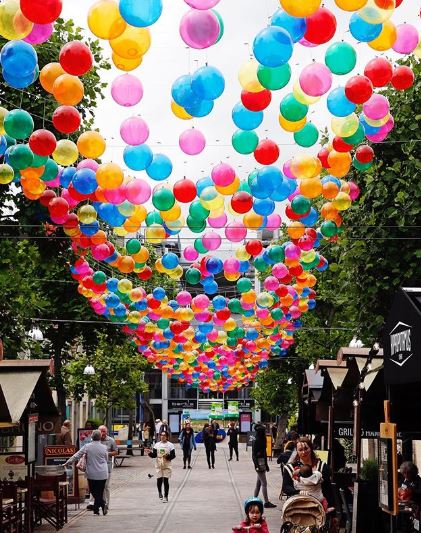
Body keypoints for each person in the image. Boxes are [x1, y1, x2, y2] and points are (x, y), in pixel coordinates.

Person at [282, 437, 335, 512]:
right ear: (296, 451)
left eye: (306, 448)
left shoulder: (322, 466)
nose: (304, 452)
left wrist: (333, 513)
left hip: (319, 508)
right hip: (298, 507)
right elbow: (286, 487)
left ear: (311, 448)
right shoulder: (290, 468)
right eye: (300, 450)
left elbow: (327, 489)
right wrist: (298, 492)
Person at [64, 430, 108, 516]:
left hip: (91, 473)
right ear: (100, 437)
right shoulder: (104, 447)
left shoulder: (87, 447)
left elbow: (77, 455)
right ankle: (101, 506)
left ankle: (98, 508)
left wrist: (68, 462)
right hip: (103, 472)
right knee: (100, 491)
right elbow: (106, 459)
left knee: (93, 491)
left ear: (92, 437)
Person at [146, 430, 175, 503]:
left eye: (164, 435)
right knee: (159, 479)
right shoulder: (157, 445)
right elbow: (154, 455)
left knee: (165, 480)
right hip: (158, 463)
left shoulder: (170, 445)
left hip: (167, 464)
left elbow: (173, 456)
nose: (162, 437)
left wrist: (168, 456)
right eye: (161, 435)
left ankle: (166, 496)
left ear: (167, 437)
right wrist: (149, 453)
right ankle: (160, 492)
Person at [252, 424, 276, 509]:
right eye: (264, 431)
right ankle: (266, 502)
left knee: (258, 483)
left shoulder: (261, 440)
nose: (265, 432)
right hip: (259, 463)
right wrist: (256, 465)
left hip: (261, 463)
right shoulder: (257, 440)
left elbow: (264, 453)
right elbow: (253, 455)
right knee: (264, 483)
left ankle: (254, 499)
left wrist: (266, 464)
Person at [98, 425, 118, 511]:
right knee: (98, 486)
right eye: (101, 431)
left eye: (104, 431)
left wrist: (108, 454)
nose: (102, 433)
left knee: (106, 486)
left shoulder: (111, 440)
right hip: (97, 467)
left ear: (107, 432)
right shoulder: (95, 440)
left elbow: (116, 452)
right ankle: (99, 503)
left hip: (107, 466)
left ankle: (106, 504)